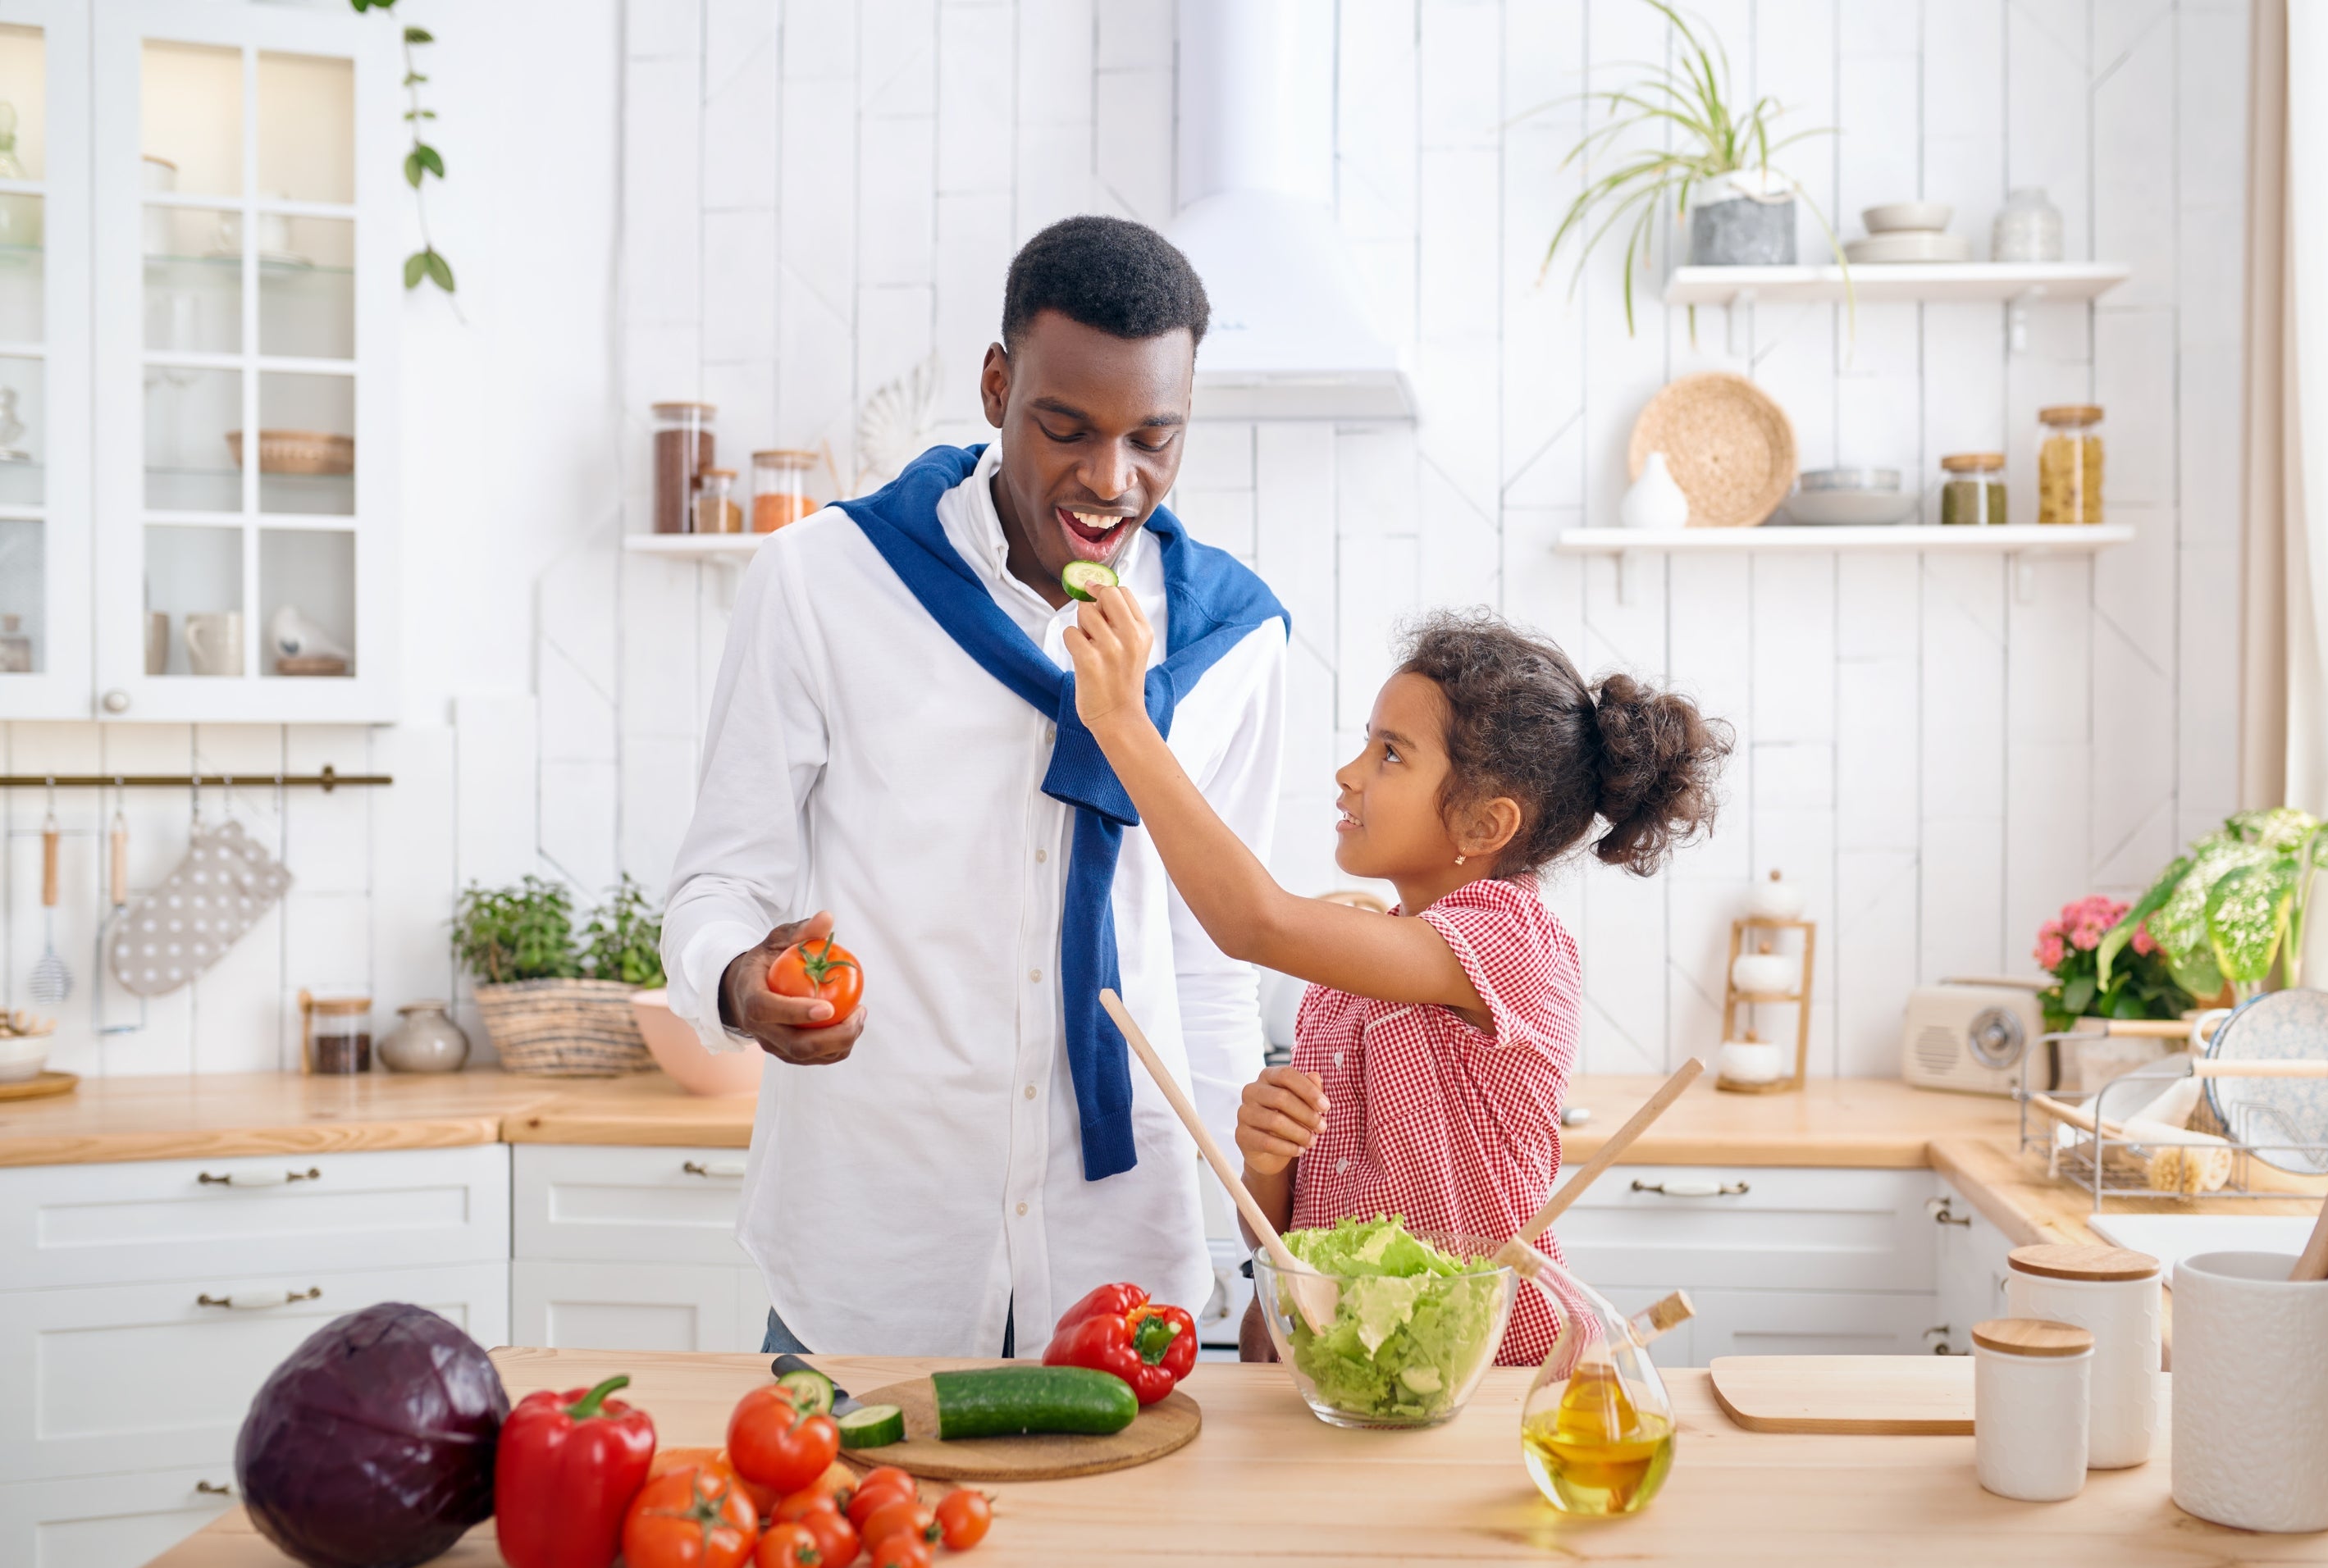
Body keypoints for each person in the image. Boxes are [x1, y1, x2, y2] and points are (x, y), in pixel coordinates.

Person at [660, 217, 1289, 1359]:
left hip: (1127, 1276)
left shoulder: (1233, 642)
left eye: (1156, 438)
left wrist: (1264, 1248)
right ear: (997, 386)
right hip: (870, 1256)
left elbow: (1211, 968)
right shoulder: (824, 582)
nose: (1111, 481)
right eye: (1067, 430)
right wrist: (741, 983)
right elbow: (718, 881)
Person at [1066, 597, 1730, 1365]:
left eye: (1391, 754)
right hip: (1341, 1368)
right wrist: (1266, 1161)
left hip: (1482, 1374)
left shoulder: (1509, 938)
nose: (1349, 774)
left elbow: (1257, 923)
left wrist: (1121, 721)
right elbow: (1278, 1235)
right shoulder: (1343, 984)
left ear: (1485, 825)